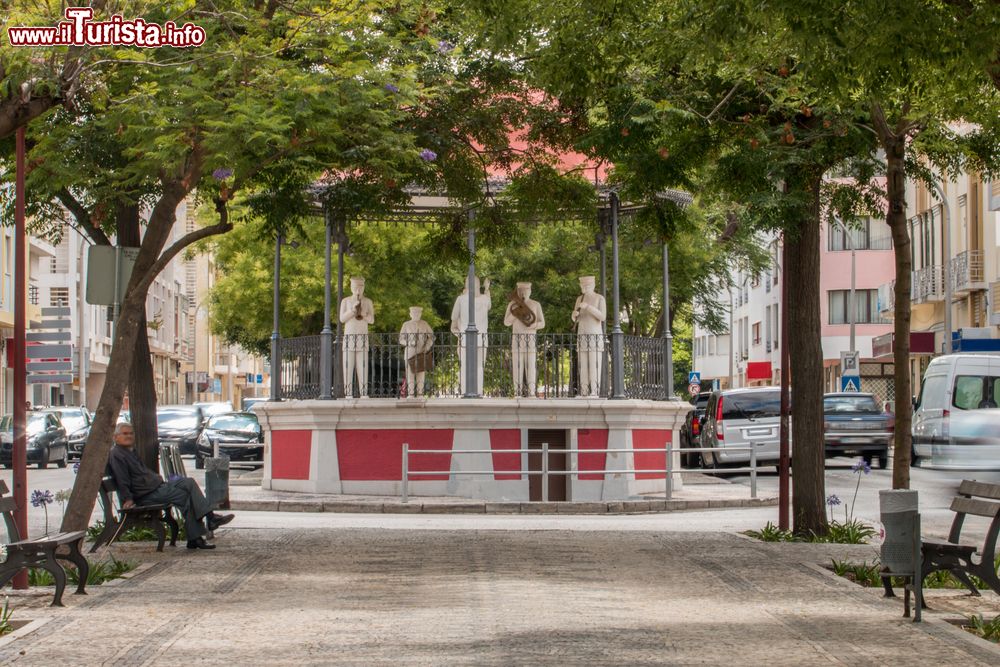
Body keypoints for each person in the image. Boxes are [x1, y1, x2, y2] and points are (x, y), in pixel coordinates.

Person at [107, 422, 233, 550]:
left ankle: (210, 518)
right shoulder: (117, 454)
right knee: (184, 496)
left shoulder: (129, 451)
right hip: (146, 494)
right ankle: (198, 535)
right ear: (115, 437)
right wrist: (128, 498)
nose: (129, 436)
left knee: (189, 482)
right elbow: (122, 479)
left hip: (157, 486)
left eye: (131, 433)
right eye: (125, 434)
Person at [451, 276, 491, 395]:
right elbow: (453, 324)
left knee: (480, 366)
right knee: (465, 366)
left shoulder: (484, 299)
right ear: (466, 285)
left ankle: (478, 391)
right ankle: (465, 391)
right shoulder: (461, 299)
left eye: (476, 283)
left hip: (481, 339)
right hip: (466, 340)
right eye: (470, 283)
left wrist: (487, 289)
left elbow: (489, 304)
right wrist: (461, 335)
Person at [503, 282, 545, 397]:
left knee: (530, 365)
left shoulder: (536, 304)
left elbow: (542, 323)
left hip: (530, 338)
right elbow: (506, 322)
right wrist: (515, 312)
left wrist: (532, 325)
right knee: (517, 365)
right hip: (516, 338)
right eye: (521, 291)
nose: (523, 293)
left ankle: (531, 392)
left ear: (530, 291)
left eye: (526, 291)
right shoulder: (512, 304)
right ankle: (517, 392)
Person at [339, 276, 375, 397]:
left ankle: (363, 392)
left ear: (363, 288)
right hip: (349, 338)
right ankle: (348, 393)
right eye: (355, 287)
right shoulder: (346, 301)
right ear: (351, 287)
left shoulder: (368, 301)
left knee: (363, 367)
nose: (358, 290)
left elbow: (372, 320)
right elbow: (342, 318)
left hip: (362, 338)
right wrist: (352, 310)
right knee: (348, 367)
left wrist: (364, 314)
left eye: (360, 287)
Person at [571, 275, 606, 397]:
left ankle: (594, 390)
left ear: (592, 285)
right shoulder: (579, 299)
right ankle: (584, 390)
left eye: (585, 285)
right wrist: (574, 315)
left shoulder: (599, 298)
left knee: (594, 363)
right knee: (583, 364)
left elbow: (602, 316)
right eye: (581, 285)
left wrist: (589, 307)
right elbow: (577, 317)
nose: (583, 287)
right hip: (582, 334)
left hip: (594, 335)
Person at [399, 306, 434, 397]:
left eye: (418, 313)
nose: (416, 315)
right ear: (410, 314)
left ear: (421, 314)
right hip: (410, 352)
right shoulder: (406, 324)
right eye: (414, 313)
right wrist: (410, 342)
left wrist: (427, 346)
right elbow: (401, 339)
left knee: (421, 375)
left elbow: (432, 336)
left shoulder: (424, 324)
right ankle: (410, 394)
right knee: (410, 374)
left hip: (421, 352)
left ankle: (420, 394)